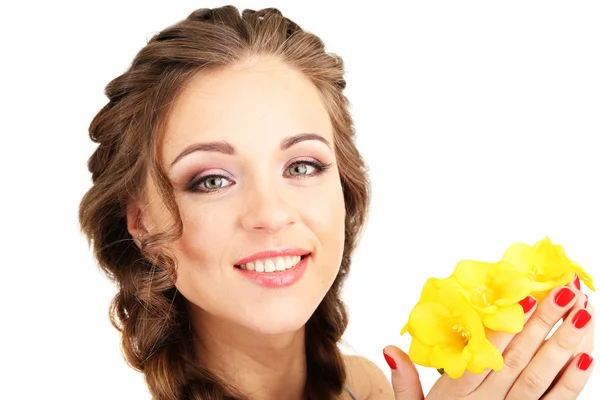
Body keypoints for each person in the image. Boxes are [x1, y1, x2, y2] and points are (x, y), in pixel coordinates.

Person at [78, 5, 594, 399]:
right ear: (142, 224)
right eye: (212, 180)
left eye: (302, 166)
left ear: (345, 188)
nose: (272, 213)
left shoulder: (368, 387)